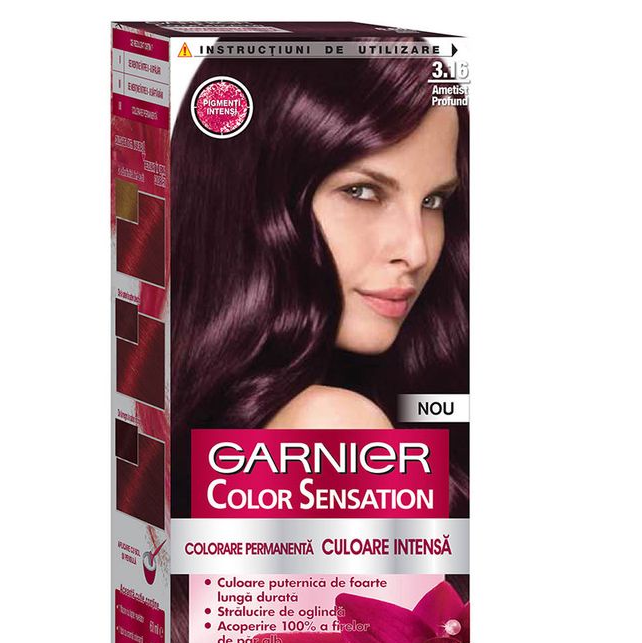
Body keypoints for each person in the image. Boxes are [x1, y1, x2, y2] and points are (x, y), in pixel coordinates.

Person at [170, 44, 469, 516]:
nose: (416, 251)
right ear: (256, 199)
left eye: (433, 202)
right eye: (362, 191)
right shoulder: (333, 430)